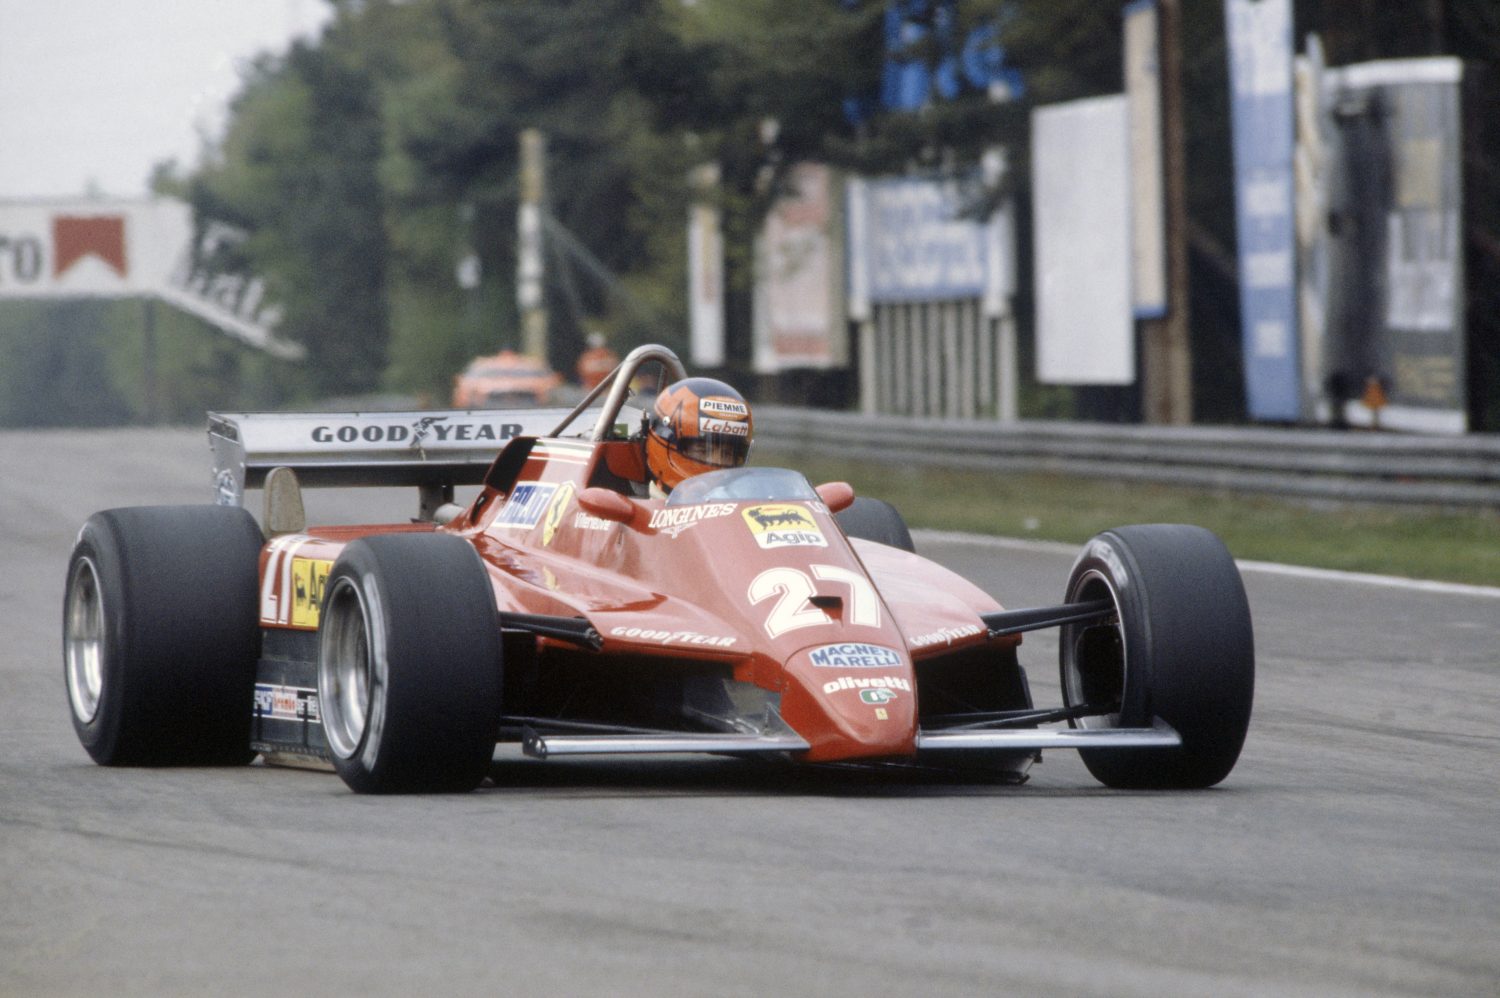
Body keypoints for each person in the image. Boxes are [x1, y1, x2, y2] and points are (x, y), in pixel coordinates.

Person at [643, 377, 753, 496]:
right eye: (703, 451)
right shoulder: (635, 511)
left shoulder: (740, 507)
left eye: (727, 454)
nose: (717, 464)